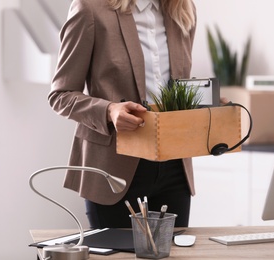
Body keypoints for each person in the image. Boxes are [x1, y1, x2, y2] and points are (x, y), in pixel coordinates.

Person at [48, 0, 197, 228]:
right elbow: (61, 95)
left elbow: (176, 88)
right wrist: (109, 110)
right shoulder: (89, 9)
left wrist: (208, 104)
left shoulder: (183, 11)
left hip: (175, 169)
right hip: (112, 170)